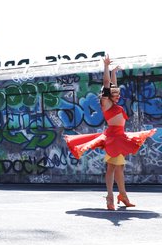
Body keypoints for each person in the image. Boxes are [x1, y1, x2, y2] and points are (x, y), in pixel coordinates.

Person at [64, 54, 156, 210]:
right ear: (107, 96)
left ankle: (123, 195)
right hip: (113, 139)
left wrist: (114, 74)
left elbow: (112, 86)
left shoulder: (112, 101)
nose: (118, 95)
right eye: (115, 94)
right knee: (112, 168)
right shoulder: (106, 103)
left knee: (119, 168)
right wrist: (106, 67)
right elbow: (107, 84)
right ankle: (110, 198)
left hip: (120, 137)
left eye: (118, 94)